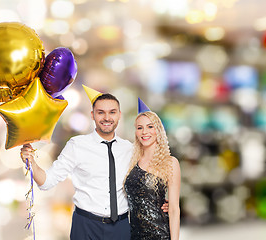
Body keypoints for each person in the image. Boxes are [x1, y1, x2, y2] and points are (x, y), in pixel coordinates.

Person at [20, 86, 168, 239]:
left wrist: (164, 203)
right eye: (100, 112)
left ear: (119, 115)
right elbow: (46, 182)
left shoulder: (130, 149)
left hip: (121, 227)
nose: (107, 118)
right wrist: (31, 162)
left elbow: (145, 183)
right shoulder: (77, 145)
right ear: (92, 115)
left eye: (112, 112)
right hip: (85, 226)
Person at [124, 98, 181, 240]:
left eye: (150, 127)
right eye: (140, 127)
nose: (145, 132)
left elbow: (174, 209)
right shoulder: (131, 161)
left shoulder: (170, 163)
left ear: (158, 130)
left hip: (159, 234)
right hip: (134, 235)